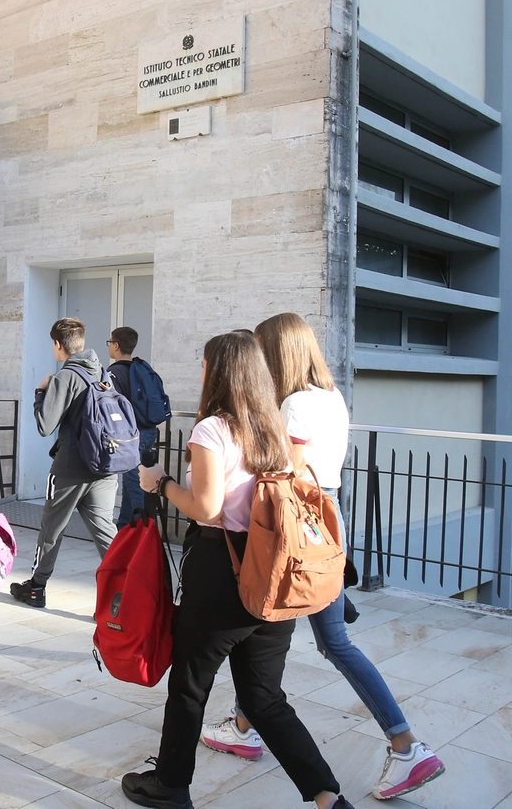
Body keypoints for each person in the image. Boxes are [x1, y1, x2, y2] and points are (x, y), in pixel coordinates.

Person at [198, 312, 443, 801]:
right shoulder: (329, 396)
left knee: (325, 638)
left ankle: (406, 744)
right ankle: (246, 723)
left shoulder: (293, 405)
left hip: (296, 523)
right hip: (325, 515)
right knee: (282, 631)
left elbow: (282, 468)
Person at [124, 331, 354, 809]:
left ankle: (170, 785)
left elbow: (206, 507)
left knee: (190, 685)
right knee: (265, 699)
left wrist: (161, 482)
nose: (201, 369)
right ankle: (328, 797)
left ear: (219, 371)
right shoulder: (274, 428)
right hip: (273, 569)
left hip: (221, 571)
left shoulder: (213, 429)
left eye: (205, 362)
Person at [8, 317, 119, 609]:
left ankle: (36, 587)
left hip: (71, 467)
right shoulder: (103, 372)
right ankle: (126, 589)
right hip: (105, 466)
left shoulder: (65, 377)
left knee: (51, 530)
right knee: (105, 530)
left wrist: (41, 392)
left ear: (58, 345)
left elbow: (45, 425)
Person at [107, 326, 160, 528]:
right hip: (148, 431)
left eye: (110, 342)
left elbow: (111, 407)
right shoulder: (142, 368)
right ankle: (124, 530)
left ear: (116, 345)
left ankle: (146, 533)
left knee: (136, 486)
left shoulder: (113, 373)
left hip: (131, 436)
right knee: (132, 485)